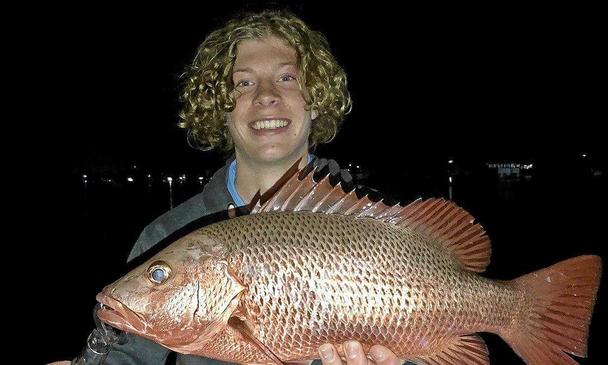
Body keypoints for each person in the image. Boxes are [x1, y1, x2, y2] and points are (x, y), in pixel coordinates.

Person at [56, 9, 403, 365]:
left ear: (314, 101)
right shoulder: (165, 235)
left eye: (286, 77)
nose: (266, 95)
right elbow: (126, 355)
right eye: (243, 83)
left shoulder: (383, 225)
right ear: (219, 107)